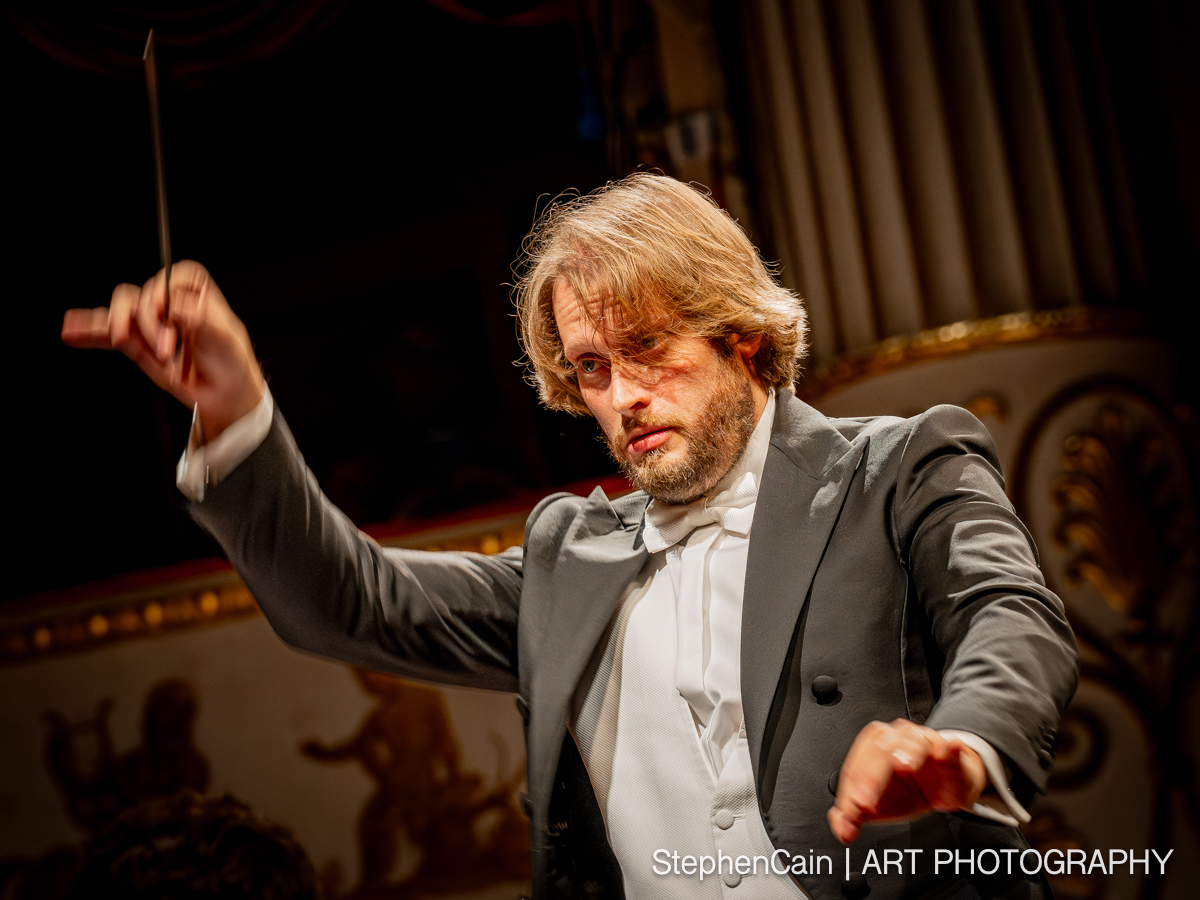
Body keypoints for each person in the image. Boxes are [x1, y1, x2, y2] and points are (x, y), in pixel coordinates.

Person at [62, 173, 1078, 900]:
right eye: (592, 367)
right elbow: (347, 600)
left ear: (741, 336)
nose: (622, 395)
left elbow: (1010, 614)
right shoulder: (568, 559)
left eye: (648, 348)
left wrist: (965, 746)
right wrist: (235, 407)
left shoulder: (898, 468)